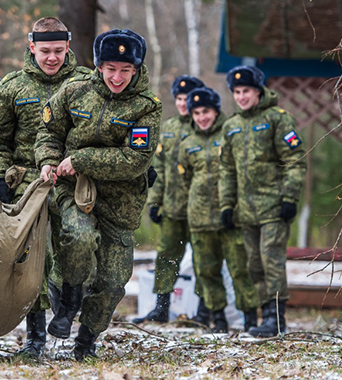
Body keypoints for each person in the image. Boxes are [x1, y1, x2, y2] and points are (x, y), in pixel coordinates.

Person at [36, 28, 161, 360]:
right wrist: (49, 161)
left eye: (125, 70)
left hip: (120, 203)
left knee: (113, 281)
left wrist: (81, 159)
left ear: (136, 70)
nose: (116, 77)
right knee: (77, 235)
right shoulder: (74, 91)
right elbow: (48, 132)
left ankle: (87, 339)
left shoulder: (146, 108)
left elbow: (134, 160)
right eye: (110, 68)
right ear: (99, 65)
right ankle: (68, 299)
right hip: (70, 191)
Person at [0, 17, 90, 358]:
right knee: (30, 263)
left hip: (71, 181)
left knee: (78, 240)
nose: (52, 58)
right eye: (45, 51)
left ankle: (70, 295)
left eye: (58, 50)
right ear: (31, 48)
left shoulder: (86, 82)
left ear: (68, 47)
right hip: (27, 184)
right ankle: (35, 337)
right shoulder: (12, 87)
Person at [219, 65, 306, 337]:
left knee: (271, 261)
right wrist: (226, 206)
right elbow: (226, 170)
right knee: (254, 265)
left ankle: (276, 318)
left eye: (246, 91)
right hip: (245, 211)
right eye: (237, 92)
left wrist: (290, 197)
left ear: (258, 91)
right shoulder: (231, 126)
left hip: (274, 207)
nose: (242, 97)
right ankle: (264, 315)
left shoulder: (278, 119)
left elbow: (295, 160)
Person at [178, 87, 258, 333]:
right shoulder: (187, 143)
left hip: (231, 217)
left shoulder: (230, 133)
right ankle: (218, 319)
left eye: (207, 111)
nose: (202, 117)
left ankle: (250, 319)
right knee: (207, 272)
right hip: (200, 219)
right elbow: (186, 177)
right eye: (197, 113)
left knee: (239, 269)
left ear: (216, 111)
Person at [133, 75, 205, 324]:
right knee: (166, 256)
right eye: (179, 98)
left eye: (188, 98)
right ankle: (161, 306)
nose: (183, 103)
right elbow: (160, 169)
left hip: (200, 210)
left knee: (203, 258)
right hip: (172, 208)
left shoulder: (207, 126)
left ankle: (205, 309)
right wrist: (155, 202)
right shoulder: (171, 127)